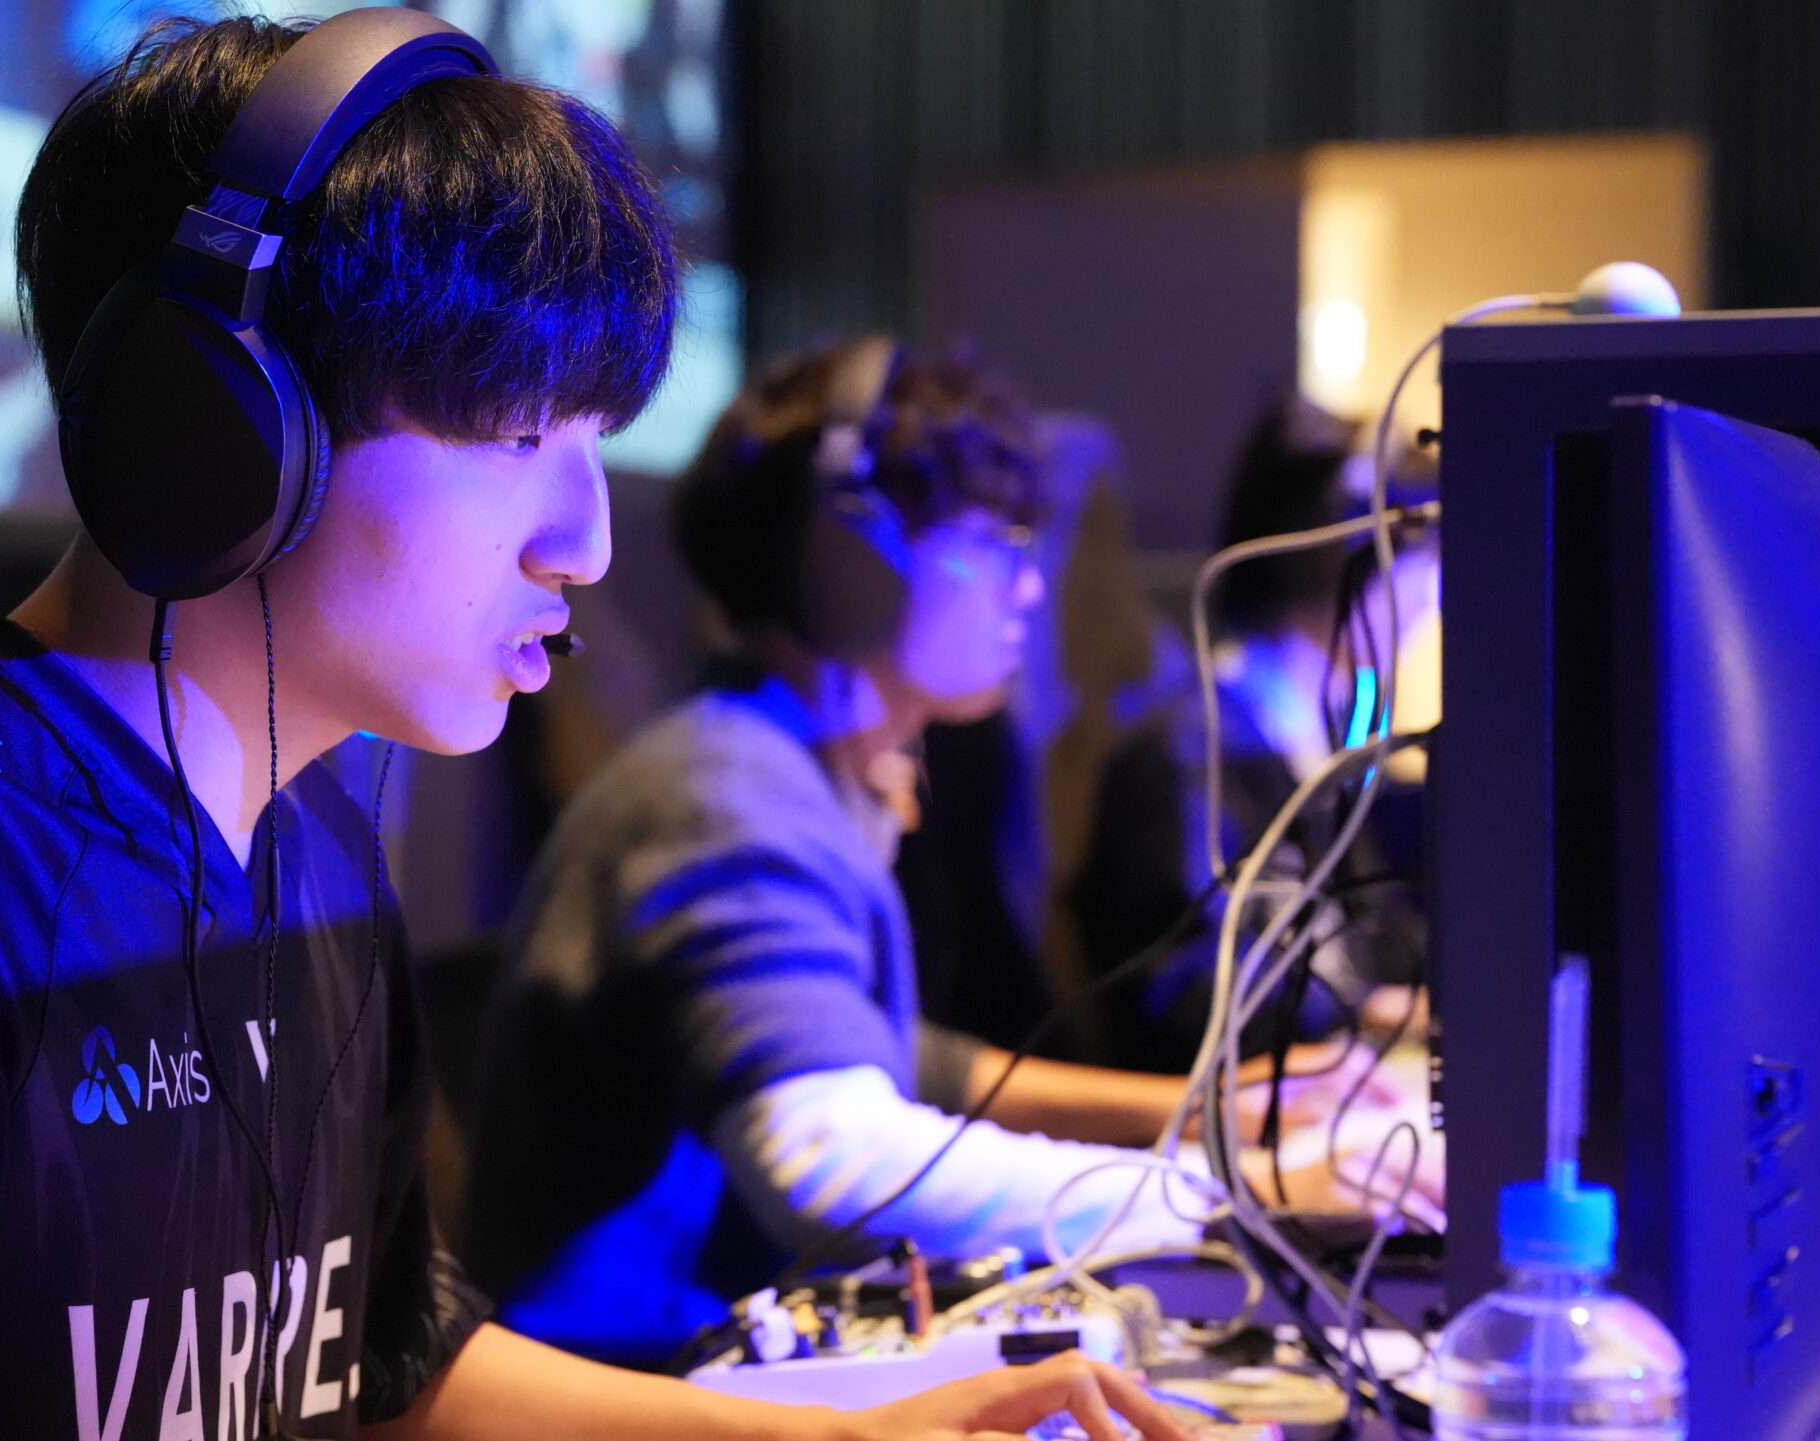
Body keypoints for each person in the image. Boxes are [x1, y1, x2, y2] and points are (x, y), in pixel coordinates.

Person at [0, 14, 1194, 1441]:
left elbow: (386, 1371)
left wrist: (837, 1431)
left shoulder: (318, 846)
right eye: (519, 435)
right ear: (221, 426)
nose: (586, 541)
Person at [462, 341, 1389, 1368]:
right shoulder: (727, 795)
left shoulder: (787, 768)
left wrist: (1197, 1112)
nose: (1027, 587)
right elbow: (832, 1159)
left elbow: (894, 1054)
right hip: (635, 1385)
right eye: (992, 541)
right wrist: (1229, 1193)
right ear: (847, 562)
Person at [1073, 395, 1432, 1073]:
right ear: (1340, 561)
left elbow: (1378, 933)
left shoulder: (1325, 743)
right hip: (1238, 1114)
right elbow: (1185, 1003)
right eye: (1420, 566)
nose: (1431, 598)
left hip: (1331, 1089)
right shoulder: (1188, 751)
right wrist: (1358, 1015)